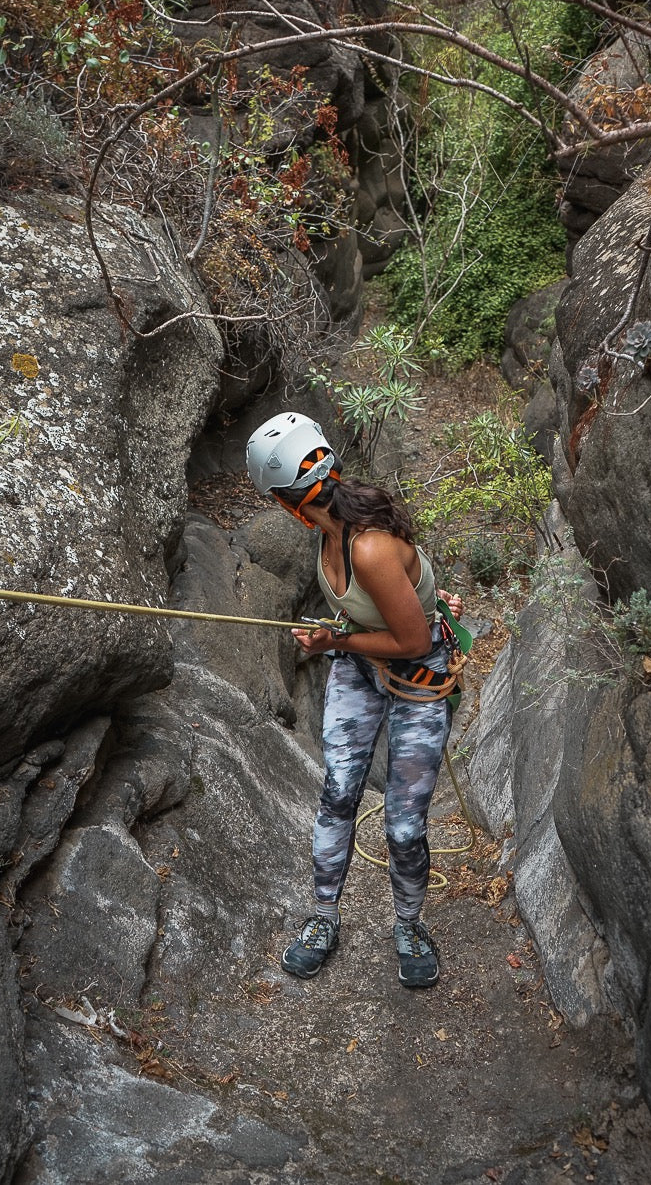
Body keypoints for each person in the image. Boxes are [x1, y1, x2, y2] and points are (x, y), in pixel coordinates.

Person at [246, 410, 466, 989]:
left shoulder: (367, 544)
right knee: (338, 794)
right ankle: (322, 919)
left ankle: (410, 926)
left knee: (402, 826)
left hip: (417, 674)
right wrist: (341, 637)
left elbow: (415, 638)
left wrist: (331, 639)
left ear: (286, 500)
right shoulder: (332, 525)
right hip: (361, 665)